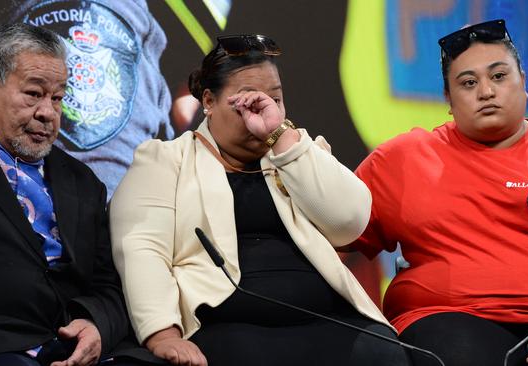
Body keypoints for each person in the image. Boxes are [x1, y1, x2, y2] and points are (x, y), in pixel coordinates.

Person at [110, 34, 411, 366]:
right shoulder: (165, 161)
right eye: (246, 100)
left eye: (274, 99)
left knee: (385, 355)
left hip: (325, 319)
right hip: (227, 326)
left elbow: (349, 223)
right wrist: (162, 333)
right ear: (208, 102)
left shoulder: (299, 153)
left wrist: (280, 135)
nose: (263, 108)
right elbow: (143, 248)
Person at [353, 19, 528, 366]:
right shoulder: (401, 159)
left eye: (499, 76)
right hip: (447, 318)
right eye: (468, 83)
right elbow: (337, 237)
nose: (486, 92)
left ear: (523, 82)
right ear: (448, 98)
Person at [0, 23, 161, 366]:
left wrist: (97, 325)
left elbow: (109, 285)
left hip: (67, 346)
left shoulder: (83, 181)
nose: (48, 112)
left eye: (57, 97)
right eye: (33, 94)